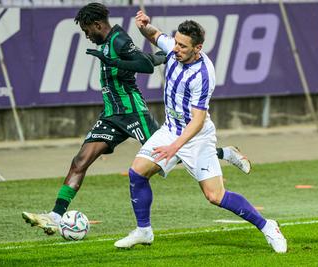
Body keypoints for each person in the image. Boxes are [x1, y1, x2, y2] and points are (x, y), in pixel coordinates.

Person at [22, 3, 251, 236]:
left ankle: (224, 153)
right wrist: (156, 51)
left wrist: (117, 62)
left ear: (97, 25)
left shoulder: (119, 39)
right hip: (111, 115)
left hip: (134, 113)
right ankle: (55, 216)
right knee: (81, 160)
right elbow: (150, 52)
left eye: (86, 29)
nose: (86, 35)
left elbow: (143, 64)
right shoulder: (106, 44)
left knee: (168, 155)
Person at [114, 11, 287, 254]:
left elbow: (197, 121)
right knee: (137, 172)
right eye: (176, 42)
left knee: (215, 196)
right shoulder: (174, 48)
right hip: (171, 130)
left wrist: (175, 147)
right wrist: (144, 26)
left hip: (196, 137)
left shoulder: (204, 74)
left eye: (183, 46)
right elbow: (154, 35)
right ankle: (144, 230)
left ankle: (268, 226)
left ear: (198, 48)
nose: (176, 49)